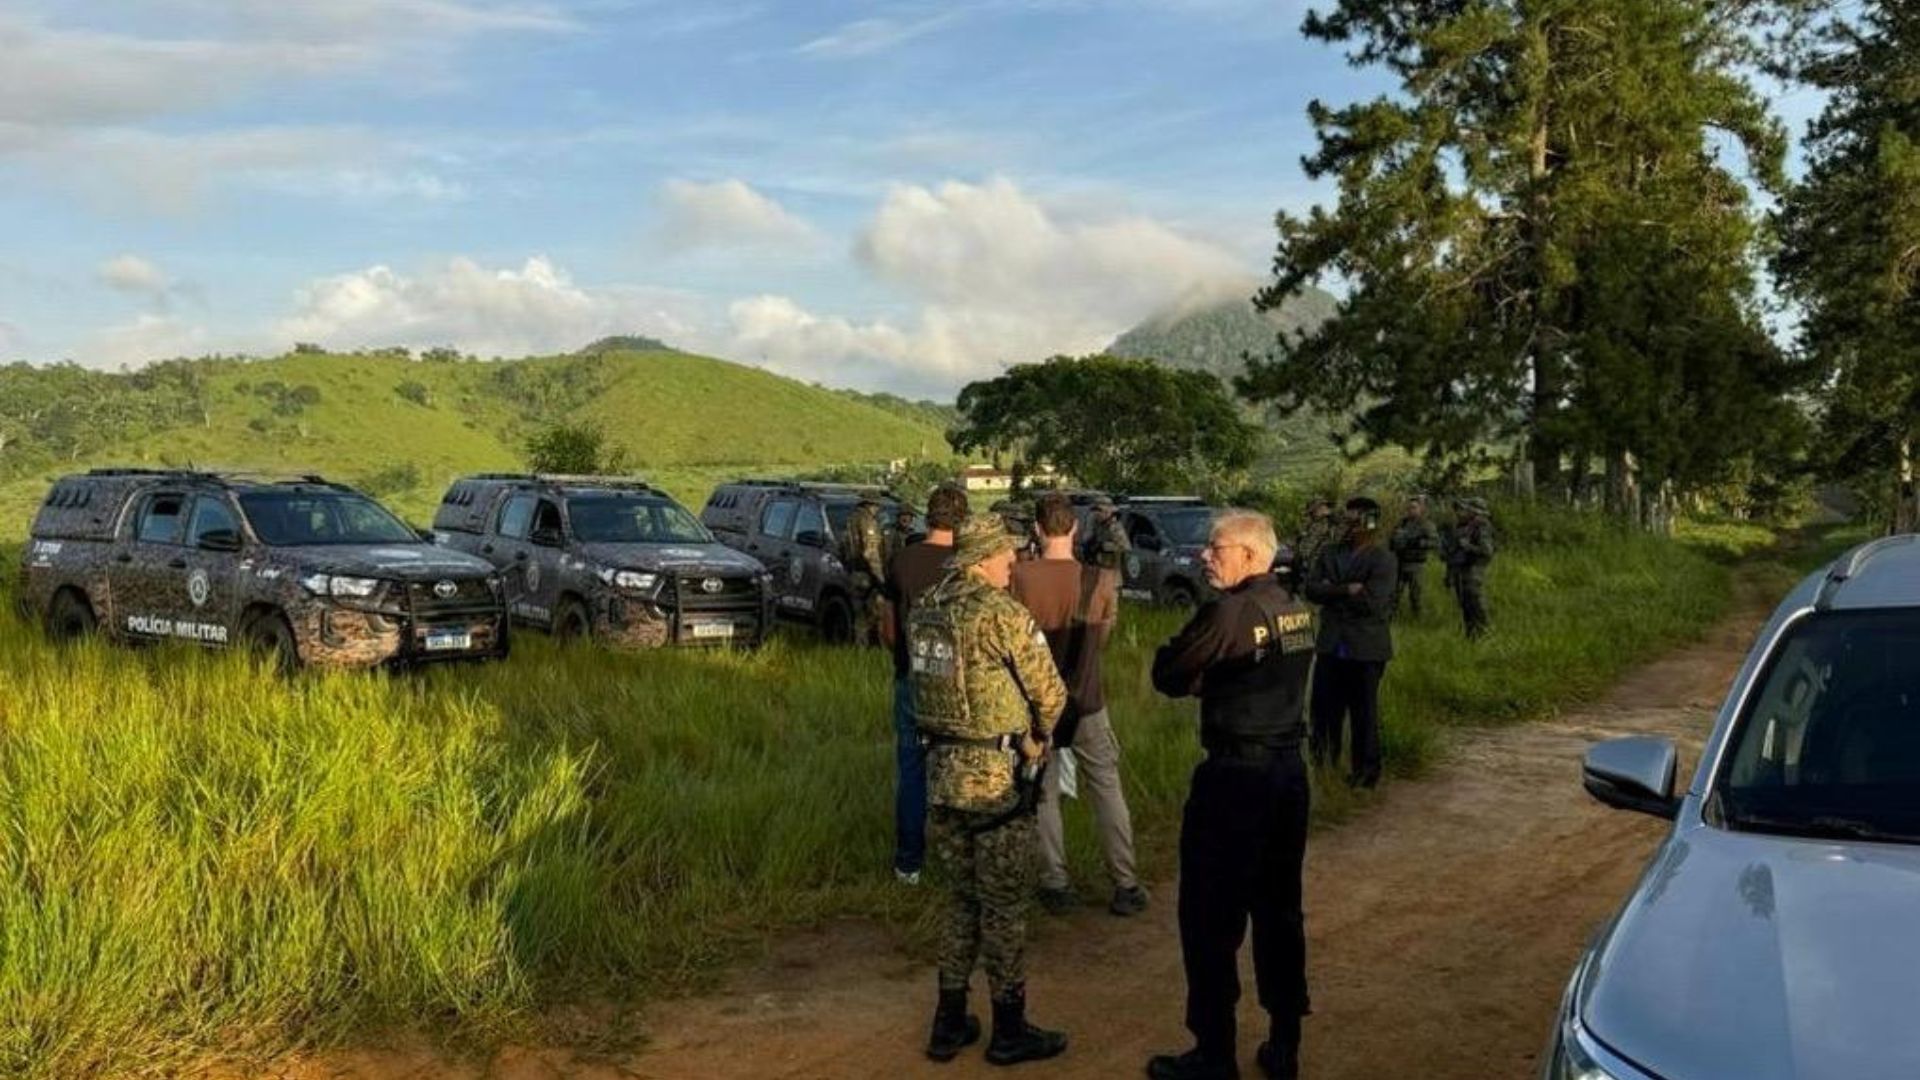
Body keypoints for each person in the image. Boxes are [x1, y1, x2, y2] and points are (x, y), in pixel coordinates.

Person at [1147, 509, 1318, 1080]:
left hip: (1236, 779)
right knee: (1279, 910)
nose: (1204, 555)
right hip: (1288, 774)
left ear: (1249, 554)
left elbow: (1170, 672)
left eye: (1215, 547)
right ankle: (1284, 1041)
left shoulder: (1230, 611)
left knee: (1210, 916)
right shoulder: (1294, 609)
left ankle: (1214, 1052)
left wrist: (1199, 674)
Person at [911, 515, 1072, 1066]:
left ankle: (948, 1023)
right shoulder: (1001, 614)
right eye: (1006, 555)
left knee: (959, 900)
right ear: (983, 559)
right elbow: (1051, 694)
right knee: (1003, 907)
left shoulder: (927, 607)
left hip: (940, 775)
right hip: (996, 781)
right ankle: (1009, 1026)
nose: (1013, 564)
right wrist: (1039, 738)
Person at [1011, 493, 1144, 918]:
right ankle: (1125, 883)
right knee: (1106, 787)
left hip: (1034, 706)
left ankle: (1055, 882)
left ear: (1036, 529)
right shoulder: (1100, 581)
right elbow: (1102, 640)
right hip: (1087, 700)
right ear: (1074, 529)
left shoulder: (1019, 577)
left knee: (1044, 792)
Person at [879, 485, 969, 886]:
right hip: (959, 684)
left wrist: (902, 656)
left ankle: (909, 863)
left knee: (912, 771)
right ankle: (959, 860)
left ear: (926, 518)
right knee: (961, 771)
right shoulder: (967, 566)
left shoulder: (902, 561)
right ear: (962, 520)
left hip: (912, 678)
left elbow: (887, 623)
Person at [1304, 496, 1397, 789]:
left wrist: (1332, 593)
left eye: (1354, 519)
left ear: (1368, 522)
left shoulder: (1383, 559)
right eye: (1346, 519)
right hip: (1331, 645)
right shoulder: (1330, 553)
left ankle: (1366, 772)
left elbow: (1374, 603)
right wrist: (1347, 590)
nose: (1348, 524)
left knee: (1363, 713)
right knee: (1324, 710)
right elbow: (1311, 589)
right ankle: (1323, 767)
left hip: (1366, 648)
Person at [844, 495, 888, 643]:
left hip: (853, 571)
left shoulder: (850, 520)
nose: (877, 510)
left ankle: (860, 647)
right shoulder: (867, 522)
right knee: (877, 610)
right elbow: (870, 552)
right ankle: (873, 646)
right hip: (866, 573)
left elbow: (843, 547)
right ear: (870, 505)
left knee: (859, 613)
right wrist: (880, 577)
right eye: (876, 506)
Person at [1387, 495, 1439, 618]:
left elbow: (1435, 542)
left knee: (1415, 594)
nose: (1411, 510)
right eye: (1409, 508)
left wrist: (1417, 543)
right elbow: (1392, 539)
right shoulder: (1402, 523)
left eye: (1414, 507)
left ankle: (1417, 617)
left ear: (1421, 509)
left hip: (1415, 564)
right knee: (1394, 593)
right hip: (1400, 562)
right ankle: (1390, 617)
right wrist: (1394, 543)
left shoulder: (1426, 524)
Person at [1451, 497, 1496, 639]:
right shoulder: (1469, 525)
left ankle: (1485, 631)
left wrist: (1468, 546)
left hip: (1475, 567)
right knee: (1466, 602)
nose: (1466, 511)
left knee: (1475, 600)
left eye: (1469, 509)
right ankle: (1471, 634)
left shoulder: (1482, 526)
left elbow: (1486, 551)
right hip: (1465, 567)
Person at [1290, 499, 1338, 591]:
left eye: (1314, 511)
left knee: (1313, 585)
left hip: (1318, 560)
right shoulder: (1317, 522)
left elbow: (1312, 542)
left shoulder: (1327, 523)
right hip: (1315, 560)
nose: (1313, 514)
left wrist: (1303, 555)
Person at [1079, 495, 1131, 571]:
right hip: (1100, 565)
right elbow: (1089, 537)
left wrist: (1103, 545)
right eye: (1095, 511)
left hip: (1113, 567)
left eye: (1099, 511)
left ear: (1107, 512)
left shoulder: (1115, 527)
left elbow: (1125, 547)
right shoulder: (1098, 524)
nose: (1096, 514)